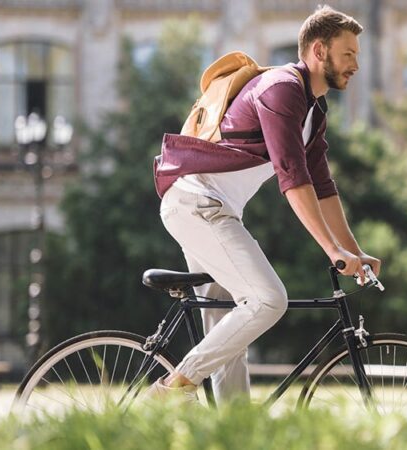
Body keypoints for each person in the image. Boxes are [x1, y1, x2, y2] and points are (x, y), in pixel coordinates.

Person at [148, 5, 381, 402]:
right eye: (349, 53)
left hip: (208, 210)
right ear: (319, 51)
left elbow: (323, 187)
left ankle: (235, 433)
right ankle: (174, 386)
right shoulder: (281, 88)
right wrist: (333, 251)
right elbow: (293, 178)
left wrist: (353, 251)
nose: (356, 64)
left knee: (230, 329)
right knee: (269, 299)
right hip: (198, 204)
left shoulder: (313, 109)